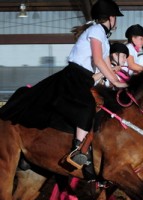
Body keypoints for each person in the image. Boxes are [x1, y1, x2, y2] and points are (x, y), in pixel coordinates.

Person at [0, 0, 127, 166]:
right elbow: (98, 60)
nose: (116, 20)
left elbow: (102, 68)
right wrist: (116, 82)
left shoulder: (103, 37)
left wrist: (114, 77)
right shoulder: (96, 30)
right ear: (111, 18)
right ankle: (77, 148)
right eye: (115, 17)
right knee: (86, 106)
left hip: (84, 78)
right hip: (73, 76)